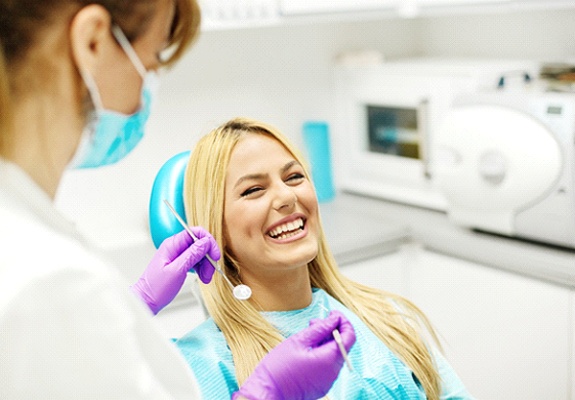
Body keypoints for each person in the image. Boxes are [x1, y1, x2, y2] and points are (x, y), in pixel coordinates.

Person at [0, 1, 356, 398]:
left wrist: (135, 303)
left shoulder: (32, 247)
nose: (145, 93)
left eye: (294, 177)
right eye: (151, 63)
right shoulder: (52, 283)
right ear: (94, 42)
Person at [175, 117, 475, 399]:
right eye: (253, 190)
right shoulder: (200, 364)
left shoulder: (386, 318)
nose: (287, 197)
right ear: (216, 227)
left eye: (294, 176)